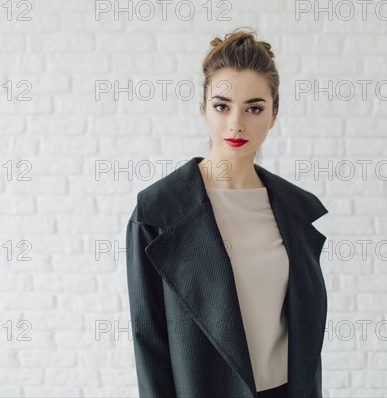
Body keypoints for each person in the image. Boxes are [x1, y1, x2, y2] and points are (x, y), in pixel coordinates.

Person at [126, 27, 329, 398]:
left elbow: (302, 338)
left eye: (254, 108)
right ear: (204, 108)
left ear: (274, 114)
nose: (236, 123)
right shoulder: (158, 213)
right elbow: (149, 341)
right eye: (222, 106)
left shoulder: (294, 211)